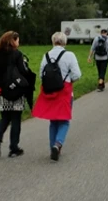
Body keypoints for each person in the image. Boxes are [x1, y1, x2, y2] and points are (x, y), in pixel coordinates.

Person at [32, 32, 82, 161]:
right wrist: (69, 80)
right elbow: (77, 74)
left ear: (53, 41)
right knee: (64, 120)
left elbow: (41, 75)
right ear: (65, 42)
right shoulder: (69, 55)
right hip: (65, 92)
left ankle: (52, 149)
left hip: (50, 92)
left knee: (53, 121)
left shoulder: (46, 55)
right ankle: (58, 144)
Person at [0, 31, 29, 158]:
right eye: (18, 40)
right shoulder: (18, 54)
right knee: (16, 118)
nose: (19, 42)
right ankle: (14, 148)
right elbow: (23, 72)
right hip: (16, 89)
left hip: (0, 89)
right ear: (13, 41)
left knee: (5, 117)